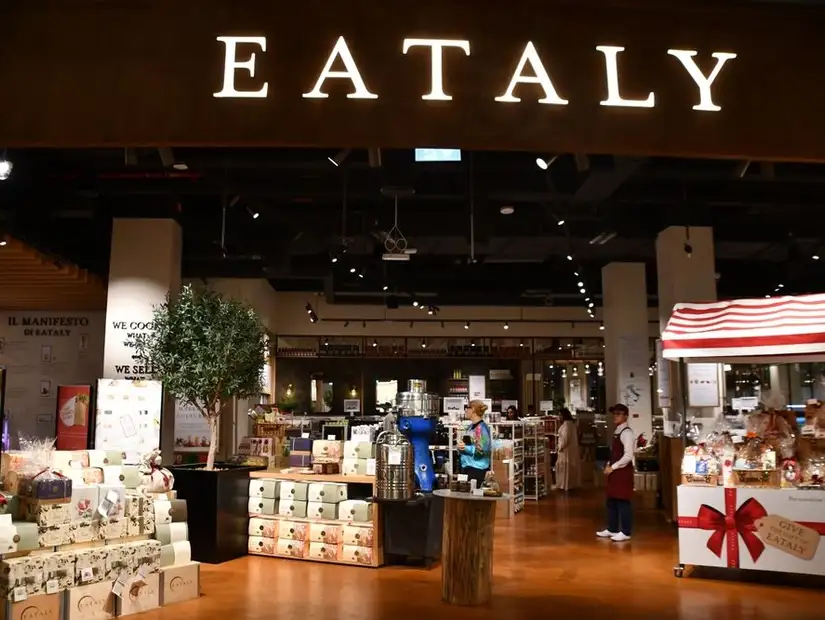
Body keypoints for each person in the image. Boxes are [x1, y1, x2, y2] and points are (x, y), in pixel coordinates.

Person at [597, 403, 635, 542]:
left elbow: (628, 455)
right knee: (611, 500)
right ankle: (612, 528)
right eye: (614, 413)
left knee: (623, 501)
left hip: (622, 472)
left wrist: (614, 466)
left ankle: (626, 531)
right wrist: (609, 464)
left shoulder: (627, 433)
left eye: (619, 414)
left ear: (625, 416)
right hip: (615, 471)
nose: (615, 416)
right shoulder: (617, 431)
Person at [457, 399, 492, 488]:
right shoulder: (470, 427)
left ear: (472, 409)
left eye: (466, 408)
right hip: (467, 468)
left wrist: (465, 448)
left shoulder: (483, 429)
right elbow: (466, 445)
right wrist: (460, 447)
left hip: (477, 470)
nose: (465, 410)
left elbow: (483, 450)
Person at [554, 408, 581, 491]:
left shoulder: (566, 425)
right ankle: (567, 484)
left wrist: (560, 447)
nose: (559, 417)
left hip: (565, 451)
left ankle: (564, 484)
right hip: (569, 450)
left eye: (560, 415)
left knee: (564, 467)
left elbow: (565, 439)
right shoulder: (571, 424)